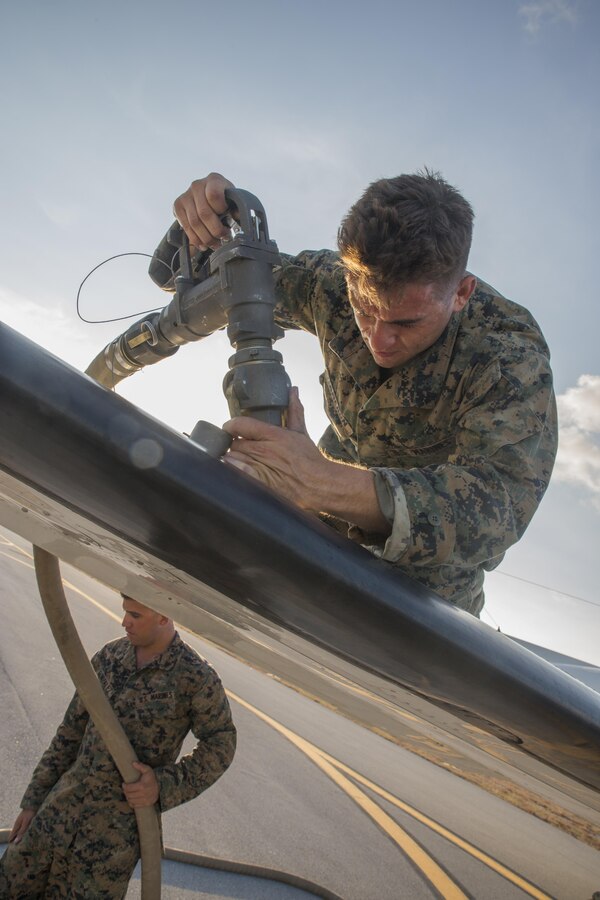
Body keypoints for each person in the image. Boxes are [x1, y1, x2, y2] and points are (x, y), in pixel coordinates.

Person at [172, 170, 558, 616]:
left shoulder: (507, 355)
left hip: (423, 599)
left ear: (461, 294)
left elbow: (498, 507)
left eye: (406, 323)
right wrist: (203, 222)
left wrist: (319, 482)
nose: (380, 339)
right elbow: (213, 280)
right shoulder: (331, 284)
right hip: (313, 538)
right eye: (364, 311)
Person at [0, 594, 236, 899]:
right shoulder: (110, 657)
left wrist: (162, 787)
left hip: (109, 843)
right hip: (57, 815)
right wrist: (33, 801)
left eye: (135, 616)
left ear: (164, 616)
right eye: (125, 612)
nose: (125, 622)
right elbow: (69, 733)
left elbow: (221, 743)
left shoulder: (195, 677)